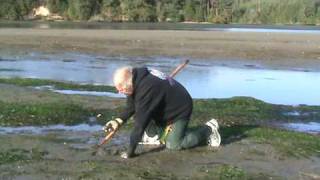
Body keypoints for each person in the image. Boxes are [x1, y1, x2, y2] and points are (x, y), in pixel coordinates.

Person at [104, 66, 221, 159]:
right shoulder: (136, 77)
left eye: (121, 89)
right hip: (163, 104)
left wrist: (130, 152)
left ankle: (208, 130)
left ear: (129, 83)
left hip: (179, 109)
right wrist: (118, 120)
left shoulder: (146, 88)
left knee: (174, 144)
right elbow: (132, 105)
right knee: (142, 110)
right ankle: (154, 134)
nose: (119, 92)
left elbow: (140, 123)